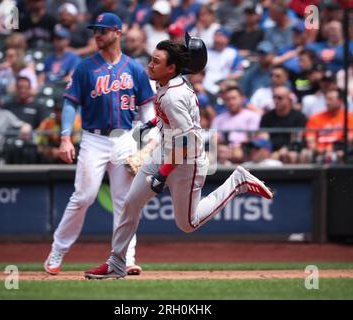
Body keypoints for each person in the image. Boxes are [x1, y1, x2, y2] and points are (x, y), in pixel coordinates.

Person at [84, 38, 273, 279]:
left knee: (187, 224)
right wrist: (153, 123)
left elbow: (186, 142)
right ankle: (117, 263)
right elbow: (175, 120)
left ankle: (237, 182)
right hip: (165, 149)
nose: (150, 65)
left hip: (186, 162)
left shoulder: (173, 94)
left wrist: (162, 174)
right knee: (131, 203)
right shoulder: (169, 83)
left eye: (156, 61)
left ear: (171, 68)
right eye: (151, 59)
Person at [43, 13, 156, 277]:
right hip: (93, 138)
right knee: (84, 196)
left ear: (117, 33)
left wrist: (148, 139)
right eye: (95, 31)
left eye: (103, 31)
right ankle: (58, 248)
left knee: (126, 202)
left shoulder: (135, 68)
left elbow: (147, 107)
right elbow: (71, 102)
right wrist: (64, 137)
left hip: (125, 137)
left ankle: (125, 258)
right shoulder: (85, 68)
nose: (97, 35)